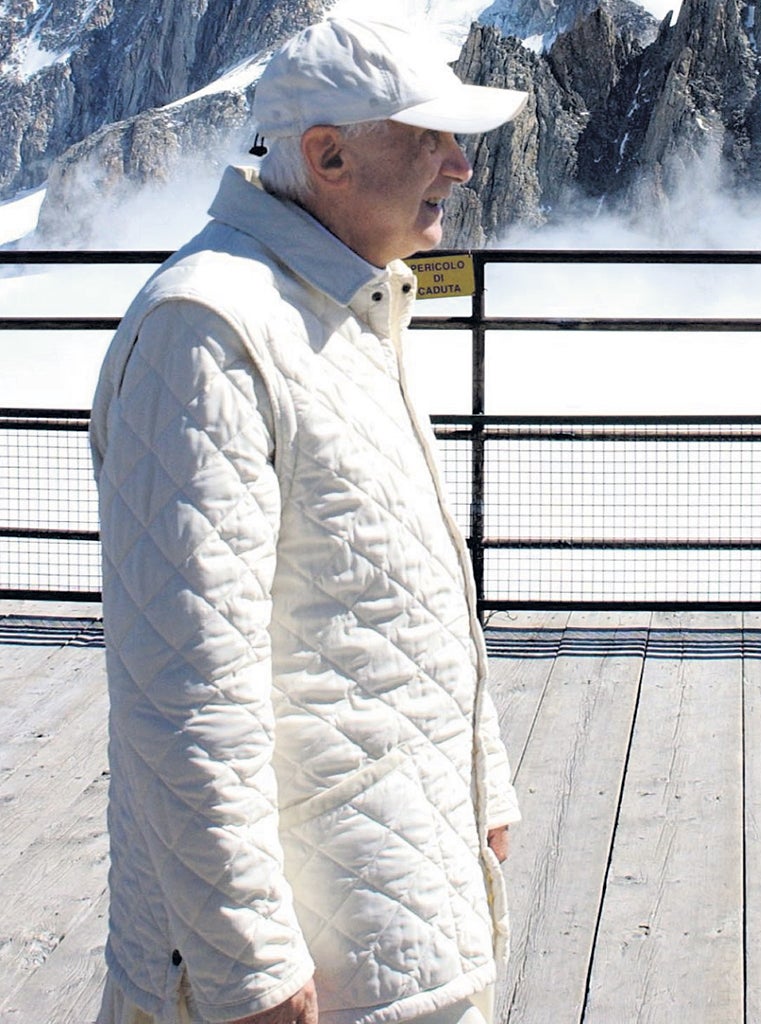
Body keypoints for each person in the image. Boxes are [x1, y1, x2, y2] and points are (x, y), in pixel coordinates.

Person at [90, 14, 528, 1024]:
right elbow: (186, 686)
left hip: (388, 901)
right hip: (313, 958)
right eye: (428, 137)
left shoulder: (339, 301)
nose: (461, 166)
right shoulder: (209, 332)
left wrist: (485, 783)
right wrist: (243, 961)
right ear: (327, 156)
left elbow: (396, 583)